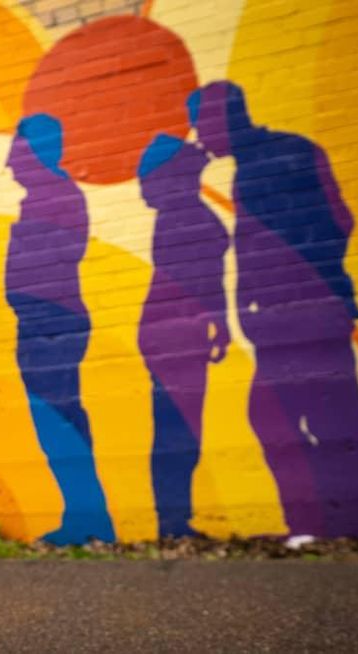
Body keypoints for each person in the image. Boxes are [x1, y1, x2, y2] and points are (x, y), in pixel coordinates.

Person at [189, 81, 358, 539]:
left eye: (202, 125)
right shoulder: (262, 162)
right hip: (282, 317)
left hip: (303, 312)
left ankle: (338, 524)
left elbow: (336, 223)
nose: (200, 137)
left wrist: (294, 284)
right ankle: (330, 522)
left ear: (223, 118)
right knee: (298, 417)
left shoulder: (281, 158)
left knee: (324, 418)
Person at [5, 114, 115, 545]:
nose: (11, 163)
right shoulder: (45, 198)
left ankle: (89, 517)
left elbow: (54, 259)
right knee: (57, 423)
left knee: (60, 422)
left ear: (36, 151)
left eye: (18, 152)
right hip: (42, 320)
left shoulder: (55, 197)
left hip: (50, 322)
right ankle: (83, 514)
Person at [136, 135, 229, 538]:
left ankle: (175, 517)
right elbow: (201, 283)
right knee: (178, 426)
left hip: (173, 330)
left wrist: (218, 322)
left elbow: (206, 281)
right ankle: (173, 519)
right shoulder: (184, 217)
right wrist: (218, 322)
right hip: (175, 333)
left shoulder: (183, 215)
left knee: (178, 425)